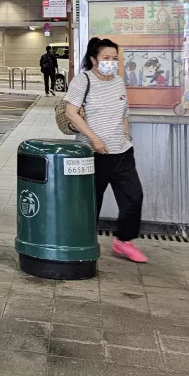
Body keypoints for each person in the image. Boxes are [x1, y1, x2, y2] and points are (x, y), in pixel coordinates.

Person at [65, 37, 147, 263]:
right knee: (92, 202)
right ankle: (84, 242)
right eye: (106, 58)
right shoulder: (83, 81)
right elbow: (71, 113)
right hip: (94, 153)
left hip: (122, 152)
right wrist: (94, 140)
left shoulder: (119, 82)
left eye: (114, 59)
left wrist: (126, 135)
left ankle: (124, 241)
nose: (111, 63)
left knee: (133, 197)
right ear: (93, 59)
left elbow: (124, 113)